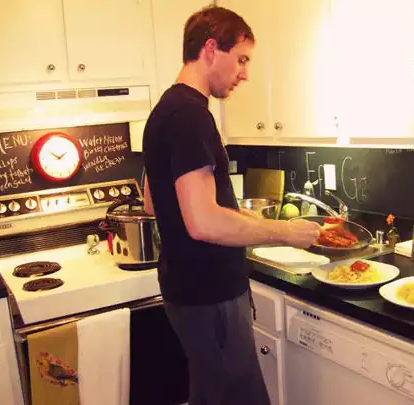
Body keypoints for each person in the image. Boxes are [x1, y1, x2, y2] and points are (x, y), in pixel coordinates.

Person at [142, 5, 321, 405]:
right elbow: (203, 222)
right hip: (211, 295)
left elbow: (154, 201)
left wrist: (239, 217)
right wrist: (284, 232)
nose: (245, 73)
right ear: (210, 49)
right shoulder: (191, 116)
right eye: (241, 59)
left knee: (210, 394)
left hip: (186, 291)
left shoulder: (163, 112)